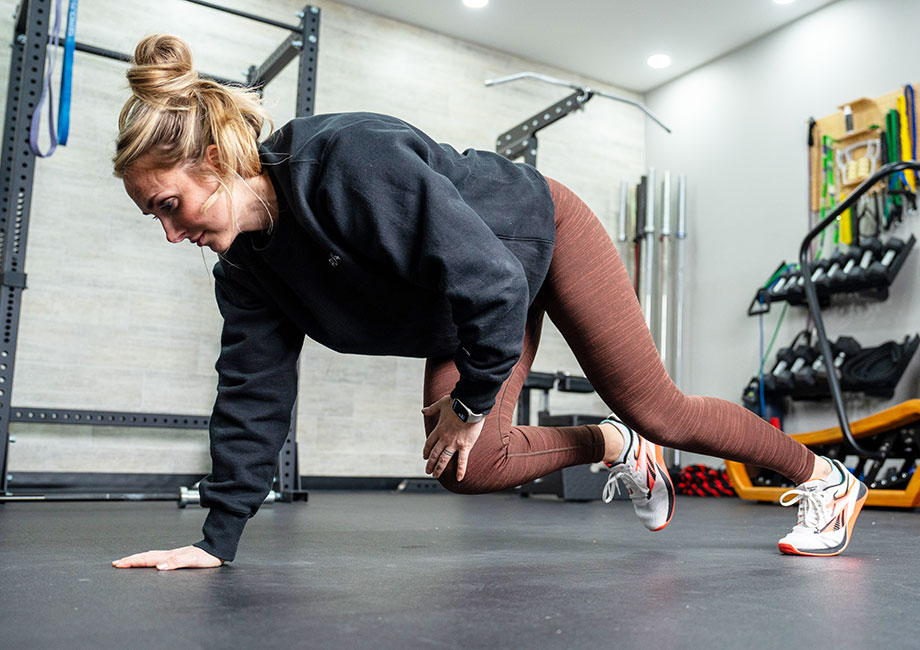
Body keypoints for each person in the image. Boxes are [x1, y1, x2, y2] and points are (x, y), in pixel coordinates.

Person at [111, 35, 867, 571]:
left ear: (214, 161)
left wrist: (470, 402)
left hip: (536, 233)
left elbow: (494, 281)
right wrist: (218, 537)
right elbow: (253, 391)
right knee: (466, 468)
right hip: (463, 297)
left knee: (657, 407)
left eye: (172, 205)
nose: (173, 233)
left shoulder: (346, 164)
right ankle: (614, 447)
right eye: (156, 218)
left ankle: (826, 481)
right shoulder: (247, 269)